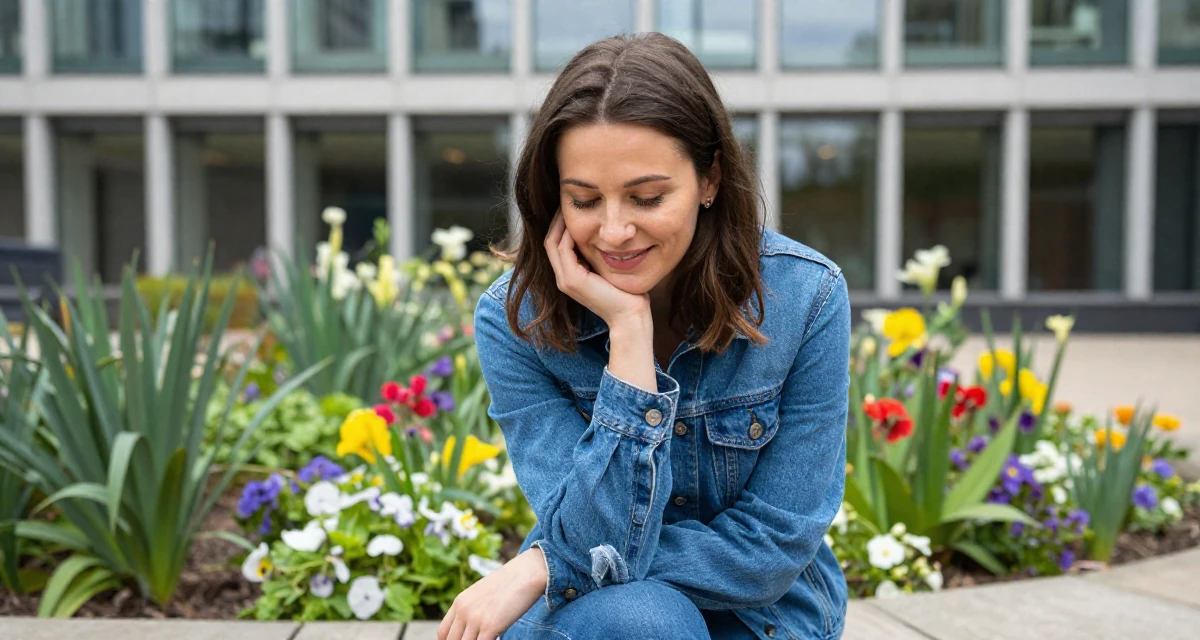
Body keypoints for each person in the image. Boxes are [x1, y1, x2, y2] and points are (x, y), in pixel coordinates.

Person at [438, 32, 850, 640]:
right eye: (584, 200)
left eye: (647, 197)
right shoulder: (516, 321)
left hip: (763, 619)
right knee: (642, 620)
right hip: (607, 617)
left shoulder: (806, 299)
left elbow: (771, 546)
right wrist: (629, 336)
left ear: (710, 179)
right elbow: (592, 536)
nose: (613, 231)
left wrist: (546, 563)